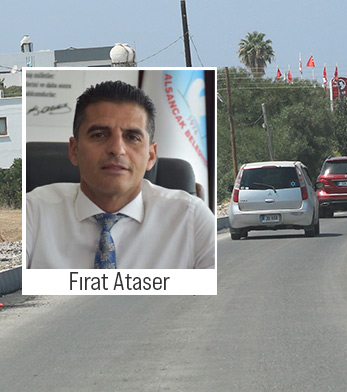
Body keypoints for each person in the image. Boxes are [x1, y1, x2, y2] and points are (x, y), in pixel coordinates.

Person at [26, 80, 215, 269]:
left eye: (132, 137)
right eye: (99, 135)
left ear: (151, 156)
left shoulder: (191, 218)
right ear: (74, 150)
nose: (117, 149)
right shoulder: (33, 212)